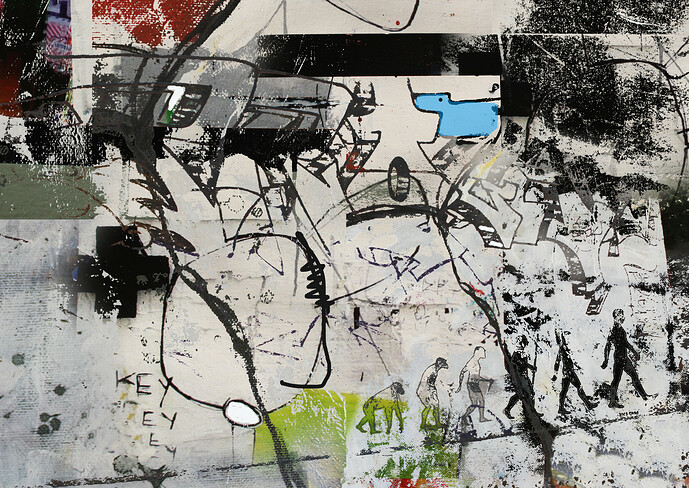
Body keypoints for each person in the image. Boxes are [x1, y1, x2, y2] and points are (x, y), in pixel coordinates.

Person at [601, 309, 650, 407]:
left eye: (622, 315)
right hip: (619, 359)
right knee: (616, 380)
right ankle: (612, 402)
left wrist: (635, 353)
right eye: (620, 315)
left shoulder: (621, 329)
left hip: (624, 357)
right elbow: (607, 346)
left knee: (633, 376)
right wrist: (606, 360)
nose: (622, 317)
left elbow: (625, 343)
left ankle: (644, 396)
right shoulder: (613, 330)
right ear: (615, 317)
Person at [553, 331, 597, 414]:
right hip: (568, 373)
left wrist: (577, 366)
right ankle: (562, 408)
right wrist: (555, 374)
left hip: (569, 372)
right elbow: (557, 362)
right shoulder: (562, 350)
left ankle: (588, 405)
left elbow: (569, 361)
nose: (566, 341)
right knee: (570, 389)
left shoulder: (565, 350)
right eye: (564, 339)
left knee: (571, 389)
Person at [456, 346, 493, 422]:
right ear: (477, 352)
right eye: (482, 351)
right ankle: (481, 418)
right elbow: (463, 372)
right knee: (481, 401)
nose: (484, 353)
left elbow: (477, 376)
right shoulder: (472, 362)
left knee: (474, 404)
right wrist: (459, 385)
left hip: (472, 384)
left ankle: (464, 417)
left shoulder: (475, 362)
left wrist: (487, 380)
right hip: (472, 384)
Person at [504, 335, 537, 420]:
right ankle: (507, 409)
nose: (521, 344)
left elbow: (525, 364)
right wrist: (529, 367)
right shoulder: (516, 354)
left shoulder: (523, 353)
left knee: (530, 393)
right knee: (521, 394)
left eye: (522, 342)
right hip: (519, 377)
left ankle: (532, 411)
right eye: (520, 342)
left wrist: (531, 367)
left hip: (524, 376)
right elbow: (516, 364)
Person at [417, 357, 448, 430]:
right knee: (430, 406)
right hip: (425, 390)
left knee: (434, 406)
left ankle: (435, 423)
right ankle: (425, 424)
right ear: (440, 364)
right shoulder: (433, 370)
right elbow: (430, 383)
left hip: (426, 389)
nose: (445, 365)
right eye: (443, 364)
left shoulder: (434, 368)